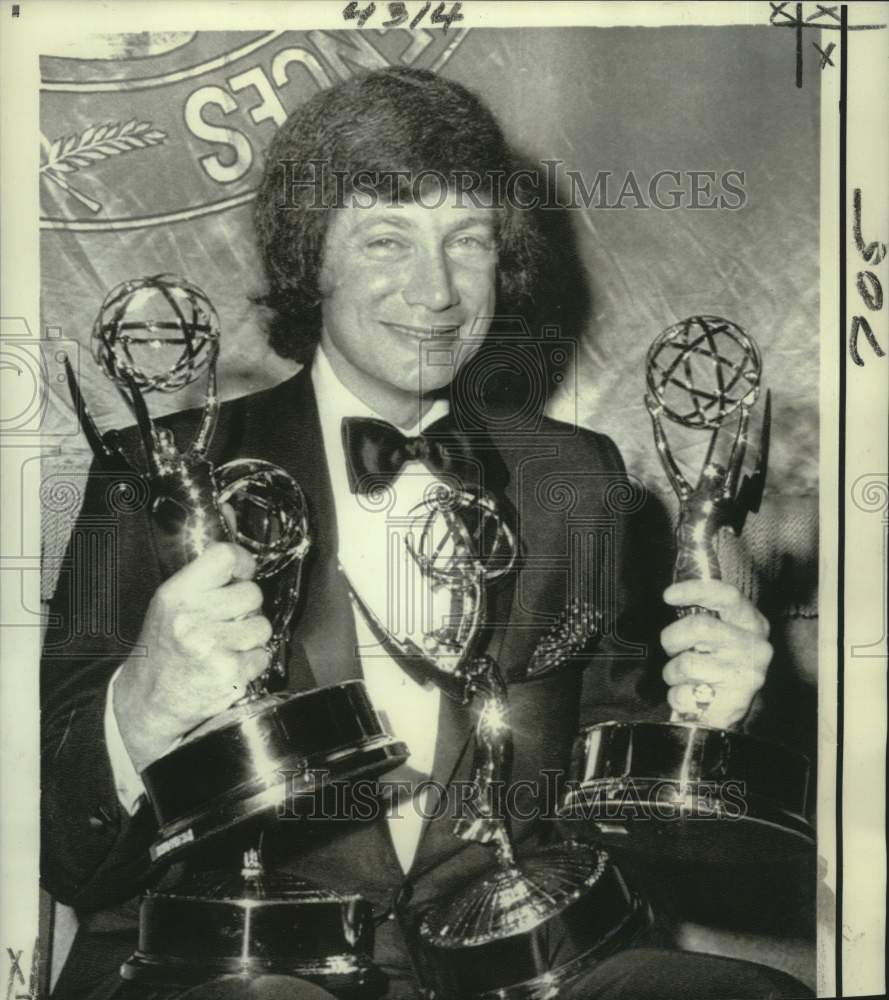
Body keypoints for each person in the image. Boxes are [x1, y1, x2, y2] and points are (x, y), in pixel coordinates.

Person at [41, 68, 809, 1000]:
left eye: (467, 241)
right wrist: (144, 706)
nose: (436, 290)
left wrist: (704, 718)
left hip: (515, 962)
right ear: (306, 260)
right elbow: (65, 856)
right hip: (227, 962)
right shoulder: (156, 474)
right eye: (384, 238)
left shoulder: (575, 476)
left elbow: (614, 777)